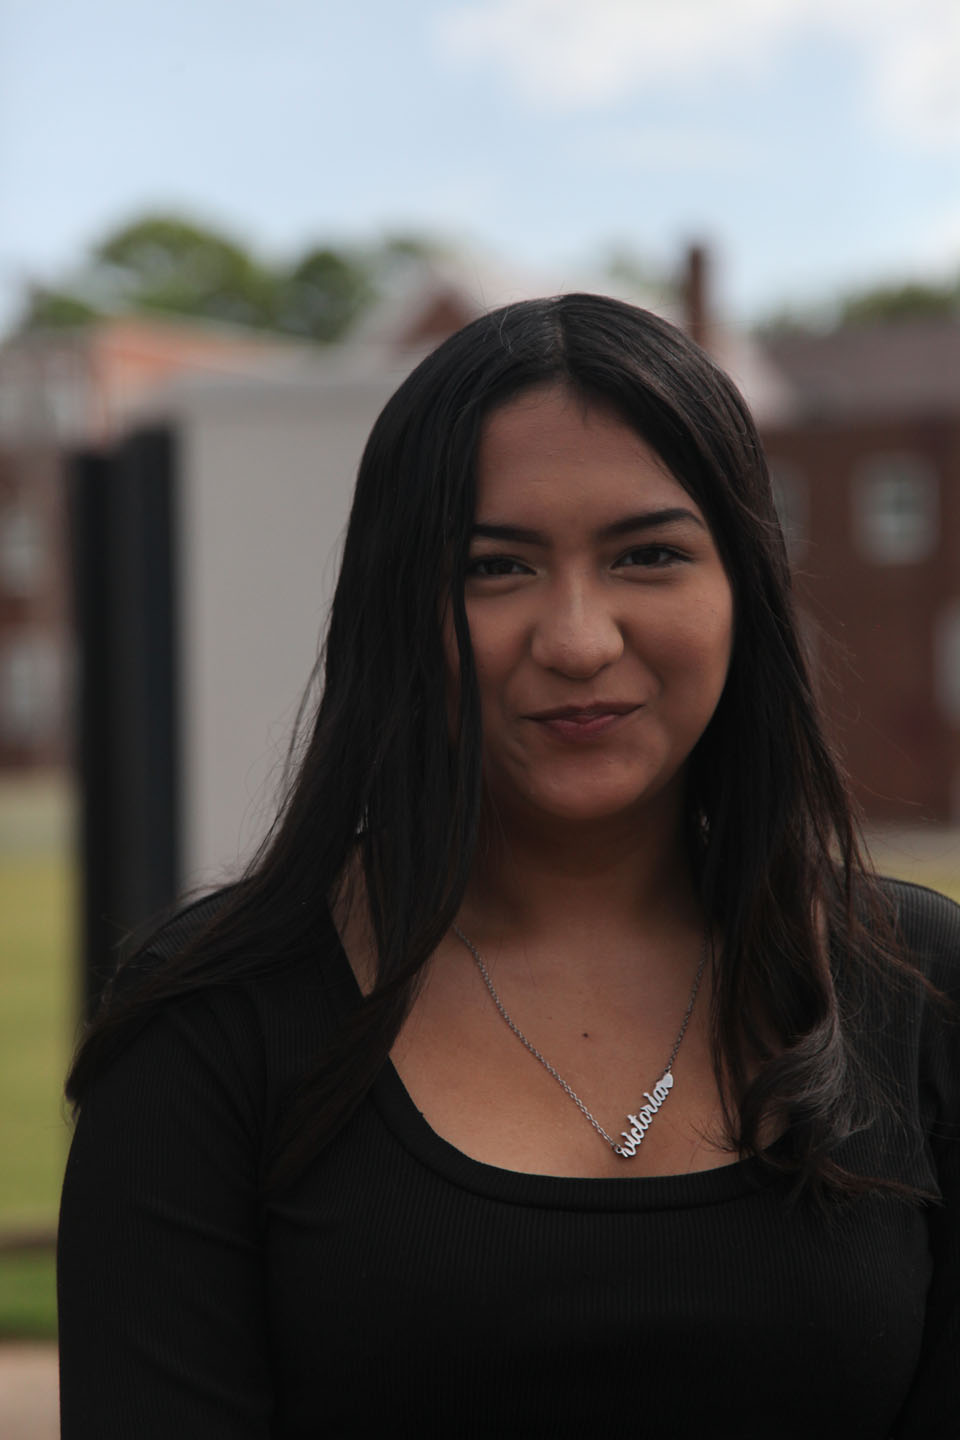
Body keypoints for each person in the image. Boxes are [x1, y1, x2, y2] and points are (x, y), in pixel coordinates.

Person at [58, 294, 959, 1438]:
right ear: (401, 607)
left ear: (744, 590)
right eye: (496, 567)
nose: (579, 640)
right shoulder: (211, 1024)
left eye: (648, 554)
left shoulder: (926, 990)